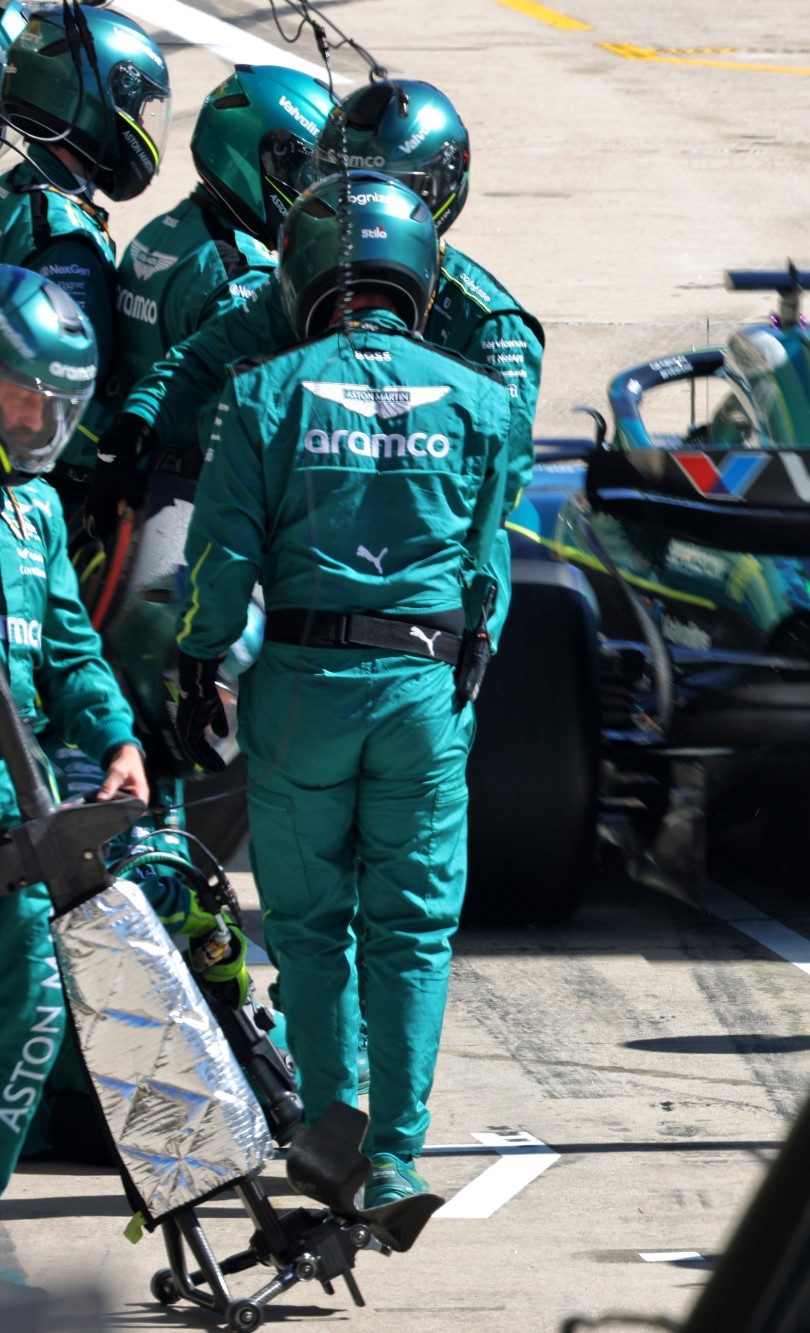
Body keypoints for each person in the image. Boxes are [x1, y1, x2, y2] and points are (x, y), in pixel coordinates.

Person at [174, 173, 522, 1209]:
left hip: (302, 689)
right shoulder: (483, 400)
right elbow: (487, 566)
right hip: (423, 688)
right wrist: (464, 665)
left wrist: (195, 662)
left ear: (302, 273)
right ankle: (397, 1160)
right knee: (411, 929)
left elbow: (220, 557)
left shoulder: (264, 392)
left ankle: (333, 1130)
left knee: (312, 925)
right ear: (419, 275)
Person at [94, 79, 540, 640]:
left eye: (385, 188)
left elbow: (497, 492)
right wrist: (134, 429)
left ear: (437, 191)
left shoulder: (492, 324)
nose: (365, 209)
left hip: (422, 554)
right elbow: (206, 359)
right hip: (307, 524)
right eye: (342, 185)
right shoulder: (313, 274)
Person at [0, 265, 148, 1216]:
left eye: (55, 410)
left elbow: (70, 649)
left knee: (39, 1011)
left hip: (25, 805)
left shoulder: (39, 511)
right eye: (20, 401)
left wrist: (119, 736)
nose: (37, 426)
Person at [82, 65, 335, 537]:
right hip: (180, 507)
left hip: (118, 479)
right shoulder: (243, 272)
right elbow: (250, 425)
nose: (312, 190)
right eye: (305, 171)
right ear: (259, 155)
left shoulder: (164, 230)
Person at [0, 7, 168, 510]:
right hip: (46, 492)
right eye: (140, 106)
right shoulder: (63, 235)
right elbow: (61, 389)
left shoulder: (18, 193)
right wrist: (134, 461)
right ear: (95, 100)